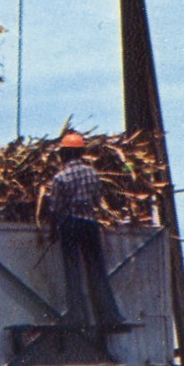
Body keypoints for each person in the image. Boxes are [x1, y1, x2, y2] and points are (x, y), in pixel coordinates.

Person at [44, 131, 124, 327]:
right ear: (81, 153)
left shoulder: (60, 177)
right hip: (90, 224)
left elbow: (55, 208)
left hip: (70, 224)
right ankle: (109, 316)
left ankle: (77, 317)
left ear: (65, 153)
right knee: (96, 270)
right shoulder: (93, 174)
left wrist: (53, 231)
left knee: (73, 272)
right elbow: (97, 200)